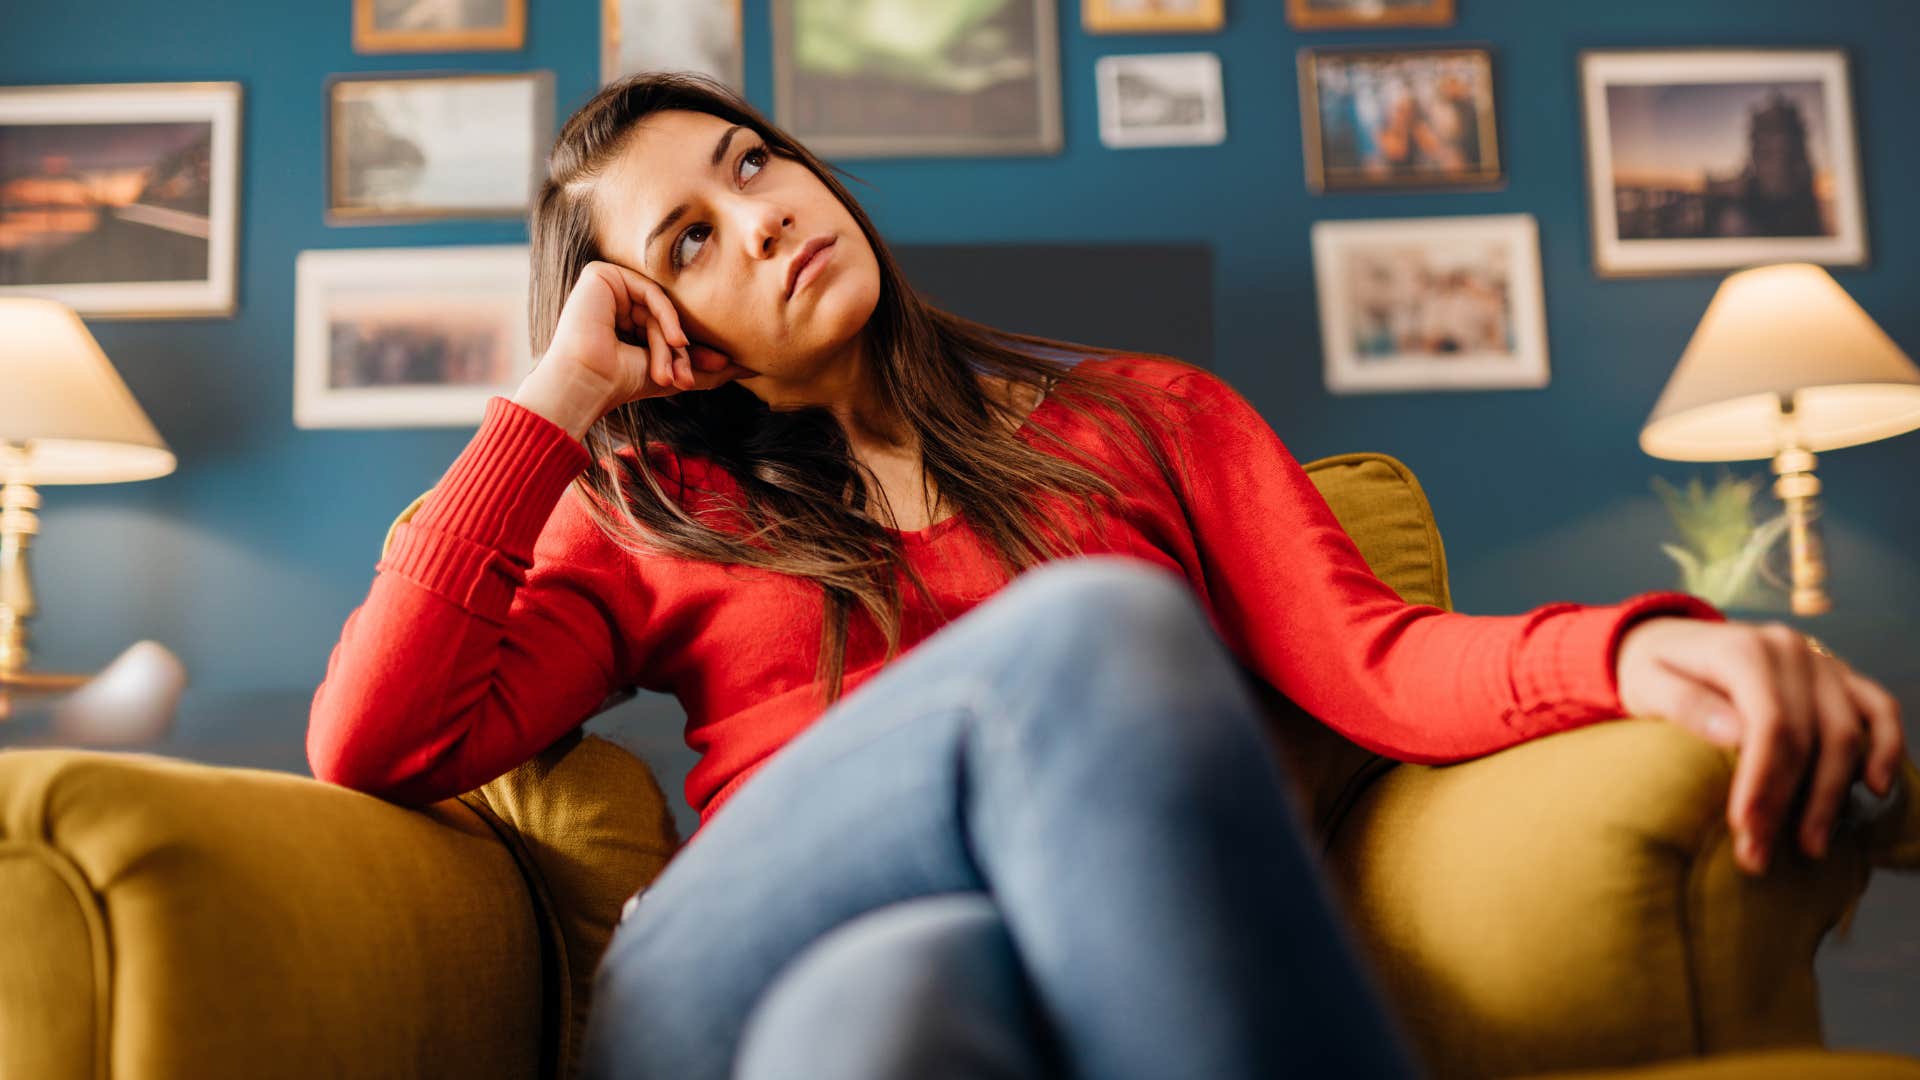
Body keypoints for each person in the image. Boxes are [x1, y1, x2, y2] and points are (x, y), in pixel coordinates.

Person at [307, 72, 1908, 1079]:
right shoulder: (654, 511)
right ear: (659, 328)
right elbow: (377, 744)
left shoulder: (1149, 416)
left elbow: (1380, 664)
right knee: (1090, 634)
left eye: (750, 163)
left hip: (943, 979)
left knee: (902, 1017)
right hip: (721, 962)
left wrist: (1622, 659)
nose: (761, 213)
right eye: (688, 245)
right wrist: (561, 396)